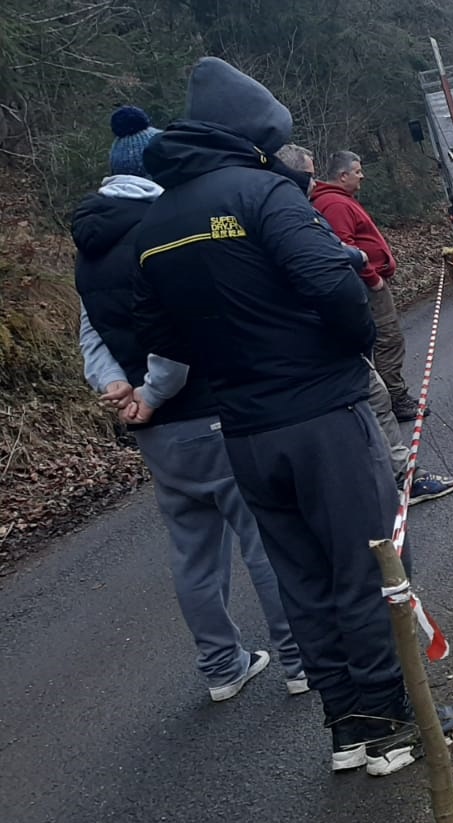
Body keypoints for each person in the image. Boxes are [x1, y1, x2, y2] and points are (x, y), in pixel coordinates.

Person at [132, 59, 453, 776]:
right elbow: (335, 283)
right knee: (371, 564)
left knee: (304, 578)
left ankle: (349, 726)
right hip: (322, 413)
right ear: (253, 133)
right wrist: (347, 350)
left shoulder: (157, 218)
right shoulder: (263, 194)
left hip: (243, 432)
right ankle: (395, 726)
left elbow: (160, 335)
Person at [73, 106, 305, 703]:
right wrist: (151, 390)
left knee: (193, 551)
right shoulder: (159, 230)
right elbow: (174, 334)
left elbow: (91, 332)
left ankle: (222, 666)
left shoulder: (88, 247)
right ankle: (299, 658)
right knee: (263, 539)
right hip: (204, 409)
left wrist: (116, 388)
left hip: (154, 431)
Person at [277, 144, 453, 505]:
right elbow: (334, 252)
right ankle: (398, 477)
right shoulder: (321, 207)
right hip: (334, 324)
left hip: (325, 333)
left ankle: (388, 475)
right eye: (309, 175)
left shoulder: (309, 206)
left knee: (371, 388)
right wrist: (368, 273)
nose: (313, 183)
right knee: (375, 382)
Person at [309, 151, 422, 421]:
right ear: (343, 175)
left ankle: (391, 395)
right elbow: (344, 247)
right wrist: (373, 277)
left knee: (385, 340)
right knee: (387, 340)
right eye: (357, 171)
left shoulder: (340, 200)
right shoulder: (334, 204)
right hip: (367, 286)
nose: (362, 176)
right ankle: (395, 398)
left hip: (368, 283)